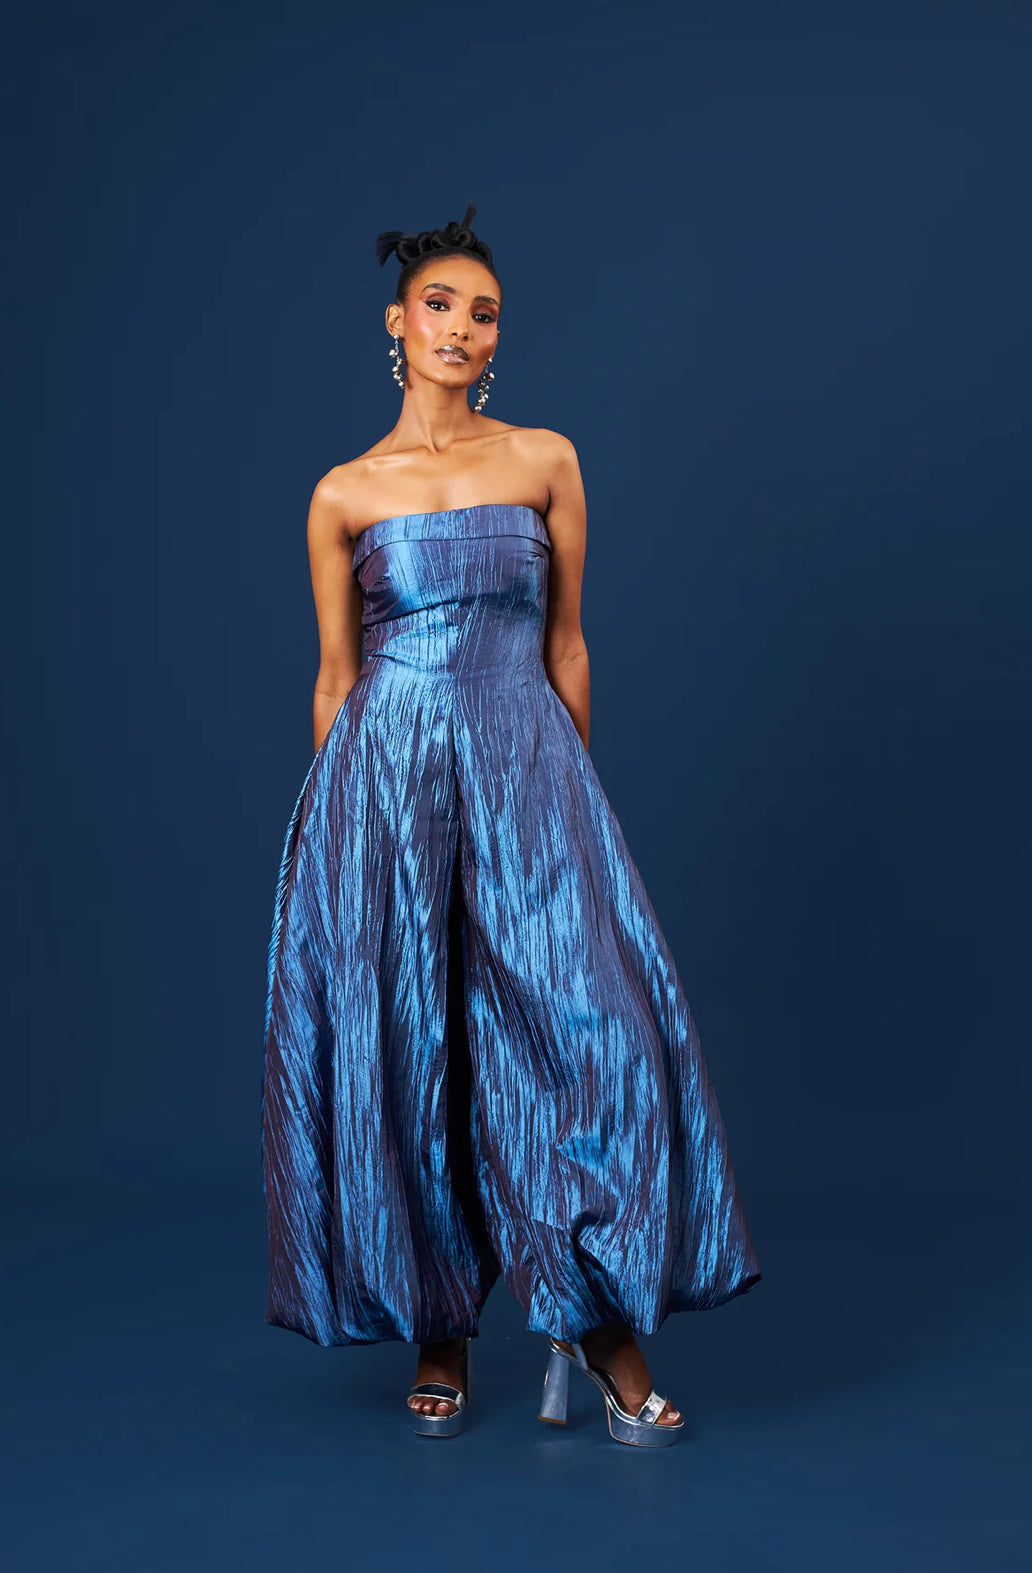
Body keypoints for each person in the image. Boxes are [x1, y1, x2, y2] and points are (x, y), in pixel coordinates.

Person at [261, 203, 762, 1447]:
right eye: (440, 304)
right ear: (396, 322)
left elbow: (569, 646)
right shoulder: (343, 494)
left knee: (586, 1038)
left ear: (497, 339)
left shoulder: (545, 461)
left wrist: (570, 800)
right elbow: (335, 679)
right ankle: (442, 1328)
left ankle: (593, 1322)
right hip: (386, 783)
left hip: (528, 766)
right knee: (412, 1047)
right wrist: (340, 847)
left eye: (483, 313)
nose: (462, 328)